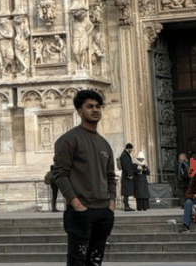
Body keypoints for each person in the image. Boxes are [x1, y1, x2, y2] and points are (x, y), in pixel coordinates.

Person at [52, 89, 117, 266]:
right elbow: (59, 173)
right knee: (77, 261)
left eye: (98, 106)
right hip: (81, 211)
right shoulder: (69, 139)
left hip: (103, 211)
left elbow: (111, 177)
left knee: (96, 260)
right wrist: (76, 203)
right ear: (80, 111)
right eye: (90, 107)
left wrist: (111, 205)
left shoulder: (104, 143)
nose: (95, 110)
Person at [118, 143, 135, 211]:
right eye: (131, 149)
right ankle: (126, 206)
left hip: (126, 175)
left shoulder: (124, 154)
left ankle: (126, 205)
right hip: (126, 175)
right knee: (126, 191)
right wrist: (129, 174)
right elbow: (126, 166)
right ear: (129, 148)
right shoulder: (125, 155)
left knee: (126, 192)